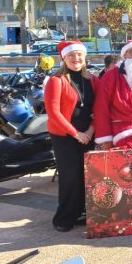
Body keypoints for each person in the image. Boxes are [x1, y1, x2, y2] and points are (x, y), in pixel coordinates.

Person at [44, 41, 98, 232]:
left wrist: (90, 131)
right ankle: (64, 217)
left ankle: (82, 211)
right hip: (65, 136)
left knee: (87, 177)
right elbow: (54, 113)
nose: (76, 59)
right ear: (64, 58)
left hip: (88, 135)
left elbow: (97, 108)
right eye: (71, 55)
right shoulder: (56, 81)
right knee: (70, 177)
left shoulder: (92, 80)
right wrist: (76, 134)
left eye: (79, 55)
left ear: (84, 57)